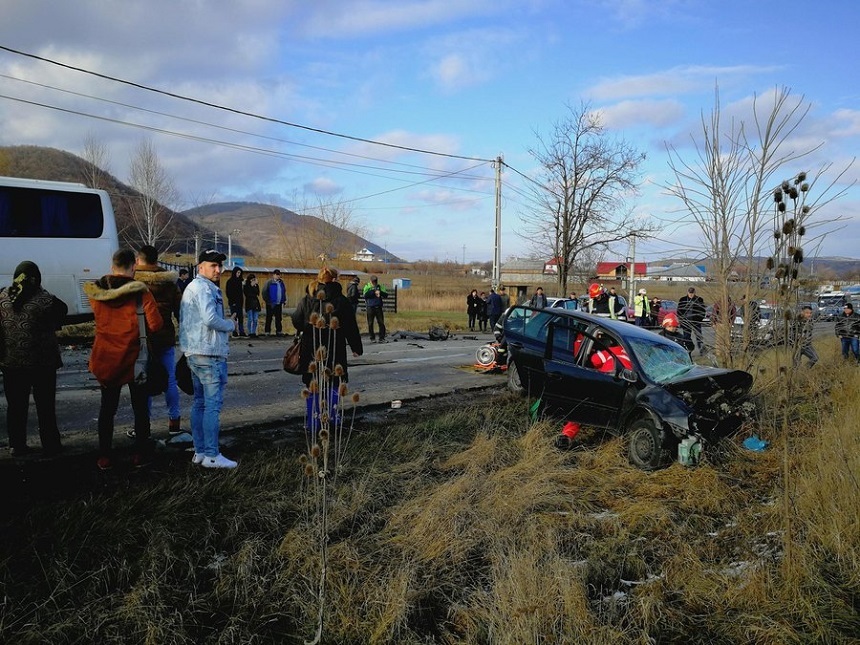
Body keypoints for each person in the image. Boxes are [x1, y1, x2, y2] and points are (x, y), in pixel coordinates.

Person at [84, 249, 163, 470]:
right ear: (133, 266)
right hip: (135, 360)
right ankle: (140, 453)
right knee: (140, 408)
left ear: (112, 266)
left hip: (106, 358)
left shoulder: (95, 293)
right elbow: (156, 325)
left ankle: (105, 456)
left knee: (107, 409)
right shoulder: (141, 293)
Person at [0, 260, 68, 457]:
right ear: (36, 279)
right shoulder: (44, 299)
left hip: (11, 362)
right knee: (45, 406)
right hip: (42, 363)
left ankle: (17, 445)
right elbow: (62, 312)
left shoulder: (3, 295)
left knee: (16, 406)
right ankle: (50, 444)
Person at [179, 249, 239, 469]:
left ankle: (200, 451)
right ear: (200, 266)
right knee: (212, 405)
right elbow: (211, 318)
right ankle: (212, 455)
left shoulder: (193, 287)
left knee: (200, 403)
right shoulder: (204, 288)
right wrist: (230, 325)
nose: (218, 270)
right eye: (213, 265)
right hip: (208, 352)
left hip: (195, 351)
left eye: (219, 266)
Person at [291, 267, 363, 427]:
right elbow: (351, 326)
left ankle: (313, 421)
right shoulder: (341, 300)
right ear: (334, 279)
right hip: (334, 347)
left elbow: (296, 319)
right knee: (335, 382)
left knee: (313, 381)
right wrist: (356, 347)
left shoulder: (307, 299)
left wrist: (308, 326)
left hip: (311, 347)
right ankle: (333, 419)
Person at [131, 245, 182, 439]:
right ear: (157, 259)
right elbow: (179, 310)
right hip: (165, 336)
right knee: (170, 379)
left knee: (142, 381)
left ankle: (143, 427)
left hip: (141, 338)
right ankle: (174, 423)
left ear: (139, 259)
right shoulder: (169, 281)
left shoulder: (133, 280)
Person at [678, 287, 706, 351]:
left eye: (692, 293)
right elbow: (679, 310)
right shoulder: (683, 299)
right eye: (690, 293)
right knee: (686, 337)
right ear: (687, 292)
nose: (691, 294)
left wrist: (700, 318)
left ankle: (701, 350)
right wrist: (681, 319)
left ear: (694, 293)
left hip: (696, 321)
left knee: (699, 337)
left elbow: (703, 310)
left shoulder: (699, 299)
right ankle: (687, 350)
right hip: (686, 321)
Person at [363, 275, 388, 343]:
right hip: (370, 307)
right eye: (373, 281)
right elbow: (365, 296)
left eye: (375, 281)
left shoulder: (380, 286)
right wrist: (373, 291)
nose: (374, 283)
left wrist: (380, 292)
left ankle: (381, 338)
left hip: (378, 307)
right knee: (370, 323)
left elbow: (386, 295)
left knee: (381, 323)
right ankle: (372, 337)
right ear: (371, 281)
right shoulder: (367, 286)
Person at [262, 269, 287, 336]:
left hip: (279, 303)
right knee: (269, 318)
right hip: (270, 303)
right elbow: (264, 292)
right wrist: (268, 301)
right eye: (277, 275)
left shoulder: (281, 282)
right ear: (274, 275)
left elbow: (283, 292)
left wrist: (284, 300)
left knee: (278, 318)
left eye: (279, 275)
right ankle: (267, 331)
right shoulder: (269, 282)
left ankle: (279, 331)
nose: (278, 276)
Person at [225, 266, 246, 337]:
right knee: (234, 317)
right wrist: (232, 301)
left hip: (239, 302)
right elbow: (228, 292)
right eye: (238, 272)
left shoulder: (240, 281)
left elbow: (241, 293)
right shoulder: (230, 281)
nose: (239, 274)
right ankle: (234, 331)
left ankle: (241, 331)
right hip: (233, 302)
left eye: (240, 273)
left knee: (240, 317)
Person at [243, 273, 262, 338]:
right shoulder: (246, 286)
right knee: (250, 319)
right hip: (249, 303)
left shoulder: (256, 285)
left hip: (255, 303)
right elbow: (247, 294)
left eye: (254, 279)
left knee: (255, 319)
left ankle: (253, 332)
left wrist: (255, 285)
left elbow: (257, 293)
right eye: (252, 279)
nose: (253, 281)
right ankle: (250, 332)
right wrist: (251, 286)